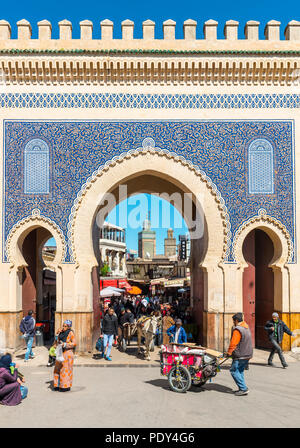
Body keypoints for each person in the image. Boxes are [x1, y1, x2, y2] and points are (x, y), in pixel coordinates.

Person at [226, 313, 253, 396]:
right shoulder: (246, 327)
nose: (233, 322)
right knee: (240, 371)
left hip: (240, 354)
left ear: (236, 320)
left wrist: (229, 352)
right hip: (248, 353)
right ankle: (242, 388)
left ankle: (243, 388)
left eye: (233, 321)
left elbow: (233, 343)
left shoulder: (238, 329)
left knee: (234, 371)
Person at [53, 320, 76, 392]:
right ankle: (57, 385)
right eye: (63, 325)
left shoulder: (71, 333)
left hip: (67, 353)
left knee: (65, 370)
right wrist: (57, 334)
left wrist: (65, 344)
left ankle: (65, 386)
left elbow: (74, 343)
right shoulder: (61, 333)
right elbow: (56, 341)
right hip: (60, 352)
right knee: (57, 369)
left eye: (65, 326)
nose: (63, 327)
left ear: (69, 327)